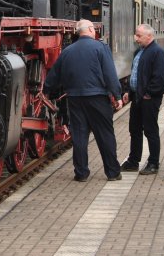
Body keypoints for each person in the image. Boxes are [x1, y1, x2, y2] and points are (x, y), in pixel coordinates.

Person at [43, 19, 123, 182]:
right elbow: (110, 74)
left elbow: (54, 74)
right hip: (98, 98)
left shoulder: (67, 51)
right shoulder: (101, 48)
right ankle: (113, 172)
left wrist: (45, 90)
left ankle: (81, 173)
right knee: (105, 135)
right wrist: (118, 96)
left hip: (75, 99)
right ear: (91, 30)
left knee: (79, 135)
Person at [120, 24, 164, 175]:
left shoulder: (157, 52)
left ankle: (153, 163)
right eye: (136, 35)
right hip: (138, 97)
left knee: (150, 130)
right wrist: (129, 91)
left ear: (149, 36)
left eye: (139, 35)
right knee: (134, 129)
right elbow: (135, 75)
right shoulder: (139, 52)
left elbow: (159, 78)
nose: (136, 38)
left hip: (149, 98)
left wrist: (149, 93)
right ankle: (133, 161)